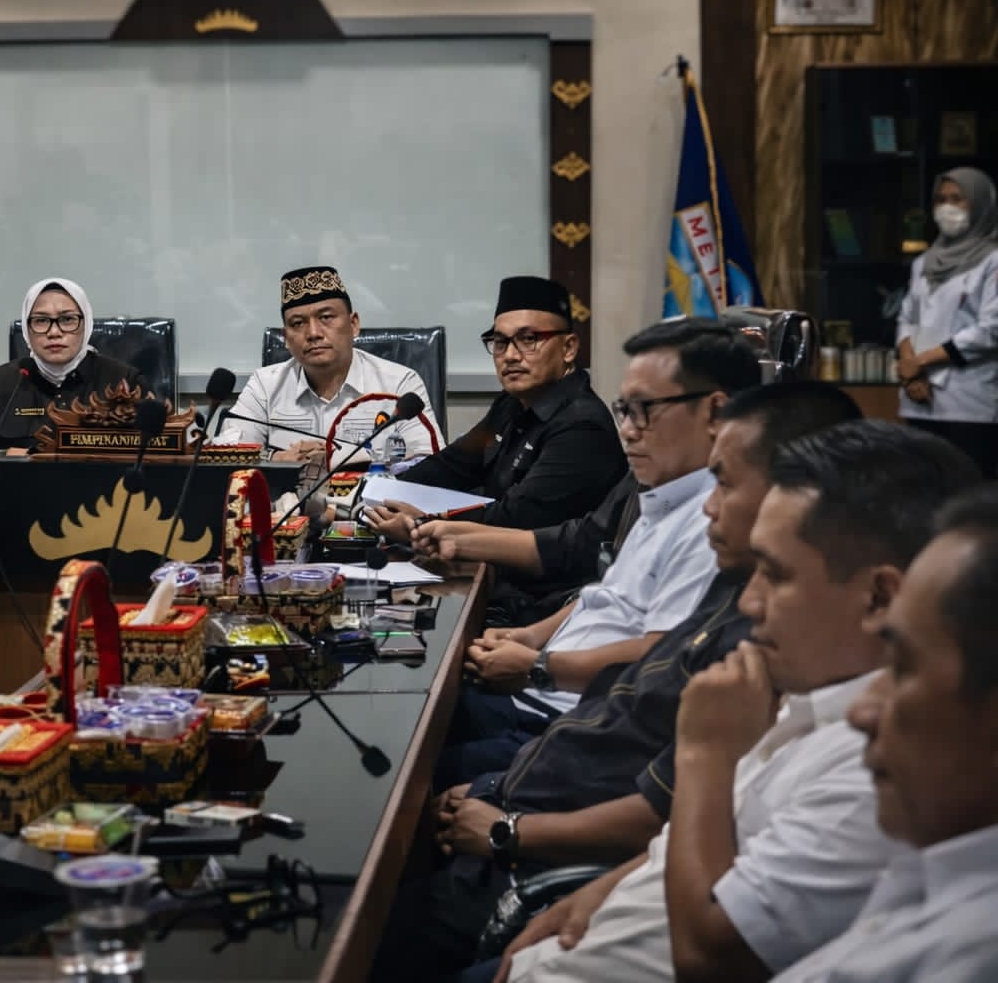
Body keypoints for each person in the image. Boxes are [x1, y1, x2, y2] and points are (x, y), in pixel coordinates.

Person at [371, 381, 863, 980]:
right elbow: (597, 609)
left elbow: (704, 921)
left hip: (544, 847)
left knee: (374, 890)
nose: (627, 427)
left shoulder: (794, 687)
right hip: (545, 810)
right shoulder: (722, 565)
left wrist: (509, 830)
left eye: (726, 482)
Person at [491, 421, 981, 983]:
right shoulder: (801, 694)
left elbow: (712, 957)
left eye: (774, 575)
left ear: (879, 598)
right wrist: (603, 889)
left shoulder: (878, 762)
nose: (750, 602)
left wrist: (704, 754)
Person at [439, 320, 761, 782]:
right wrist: (530, 636)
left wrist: (538, 668)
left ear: (715, 412)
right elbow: (607, 594)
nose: (627, 430)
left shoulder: (716, 520)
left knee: (410, 772)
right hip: (541, 694)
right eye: (623, 410)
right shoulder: (662, 488)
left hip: (573, 723)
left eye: (644, 410)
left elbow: (660, 660)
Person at [774, 486, 998, 982]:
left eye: (903, 667)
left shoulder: (972, 957)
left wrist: (705, 756)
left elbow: (710, 950)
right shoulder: (934, 858)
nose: (862, 710)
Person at [364, 276, 625, 539]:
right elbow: (453, 464)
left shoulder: (582, 427)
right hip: (492, 562)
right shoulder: (511, 404)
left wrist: (421, 524)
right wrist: (385, 494)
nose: (510, 355)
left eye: (529, 339)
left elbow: (517, 518)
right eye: (500, 342)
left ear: (568, 348)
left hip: (559, 577)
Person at [217, 266, 439, 466]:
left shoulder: (399, 383)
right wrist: (275, 459)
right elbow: (226, 454)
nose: (313, 333)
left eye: (326, 317)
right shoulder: (265, 385)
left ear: (353, 324)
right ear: (285, 337)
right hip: (288, 508)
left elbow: (430, 463)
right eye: (298, 323)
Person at [0, 277, 149, 453]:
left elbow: (157, 449)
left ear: (87, 324)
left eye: (67, 319)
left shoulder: (123, 380)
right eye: (41, 321)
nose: (54, 332)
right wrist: (17, 457)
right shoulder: (6, 381)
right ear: (26, 329)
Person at [895, 167, 998, 477]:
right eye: (940, 199)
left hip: (969, 402)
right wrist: (910, 370)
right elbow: (906, 317)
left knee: (967, 493)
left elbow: (991, 329)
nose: (946, 206)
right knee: (923, 491)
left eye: (958, 199)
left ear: (980, 204)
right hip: (919, 396)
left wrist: (921, 361)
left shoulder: (993, 260)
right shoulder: (924, 263)